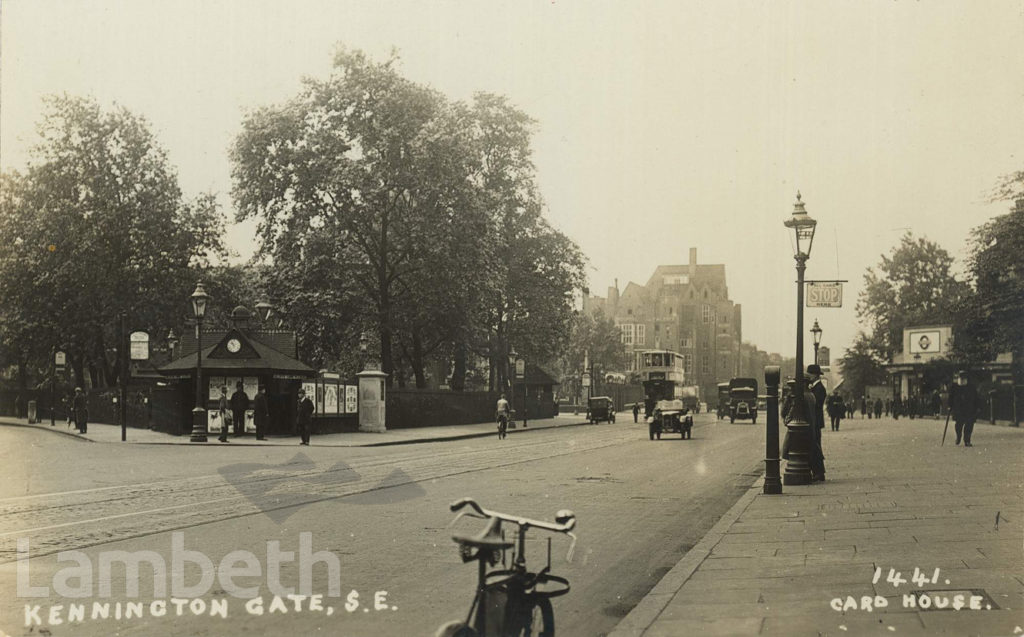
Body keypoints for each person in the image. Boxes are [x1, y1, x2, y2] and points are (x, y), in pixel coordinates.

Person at [949, 370, 981, 447]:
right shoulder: (954, 387)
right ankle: (958, 436)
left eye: (964, 378)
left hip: (969, 410)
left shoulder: (971, 387)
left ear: (966, 379)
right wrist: (949, 406)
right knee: (958, 425)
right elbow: (951, 397)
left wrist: (978, 407)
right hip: (958, 410)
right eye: (960, 377)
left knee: (969, 426)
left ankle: (967, 440)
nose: (962, 379)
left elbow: (976, 398)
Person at [807, 365, 827, 482]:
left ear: (814, 375)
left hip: (815, 421)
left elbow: (816, 404)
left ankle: (819, 473)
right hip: (814, 421)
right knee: (814, 446)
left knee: (815, 447)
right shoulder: (816, 387)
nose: (808, 376)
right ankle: (817, 472)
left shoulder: (819, 388)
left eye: (809, 374)